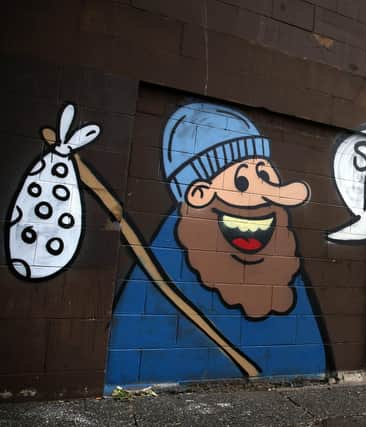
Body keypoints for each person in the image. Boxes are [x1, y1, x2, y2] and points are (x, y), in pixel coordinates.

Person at [105, 103, 329, 387]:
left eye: (266, 173)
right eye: (245, 180)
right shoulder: (159, 273)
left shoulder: (281, 260)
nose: (267, 195)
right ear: (199, 194)